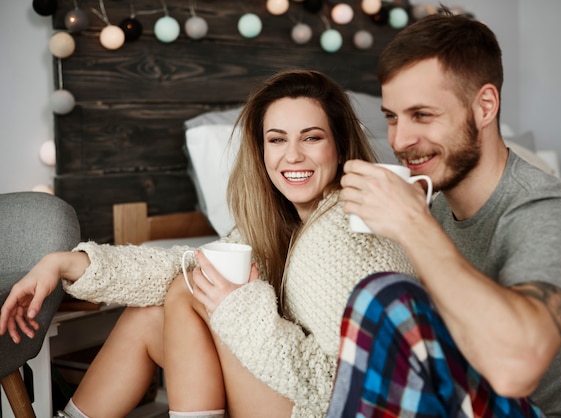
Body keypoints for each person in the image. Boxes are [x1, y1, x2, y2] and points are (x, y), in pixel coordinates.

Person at [0, 69, 415, 418]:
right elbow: (181, 264)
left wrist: (238, 308)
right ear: (260, 149)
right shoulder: (286, 221)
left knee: (189, 288)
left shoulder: (346, 230)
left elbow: (343, 383)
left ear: (340, 145)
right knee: (151, 315)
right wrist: (66, 263)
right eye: (276, 139)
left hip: (330, 408)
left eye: (311, 138)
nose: (292, 156)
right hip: (288, 388)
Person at [328, 9, 561, 418]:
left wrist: (413, 227)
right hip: (468, 400)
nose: (400, 139)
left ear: (485, 106)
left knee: (385, 297)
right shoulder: (438, 211)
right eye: (392, 118)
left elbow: (515, 369)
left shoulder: (550, 210)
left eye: (422, 115)